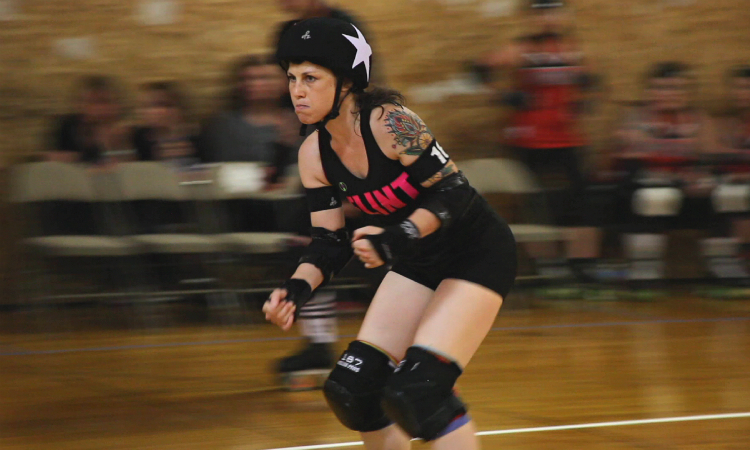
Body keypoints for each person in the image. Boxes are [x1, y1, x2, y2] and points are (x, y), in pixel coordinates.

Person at [264, 18, 517, 449]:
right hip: (419, 260)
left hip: (476, 254)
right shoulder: (313, 154)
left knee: (419, 390)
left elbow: (454, 194)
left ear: (346, 82)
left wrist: (397, 235)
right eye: (291, 78)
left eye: (311, 78)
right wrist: (295, 289)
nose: (297, 91)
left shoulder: (391, 122)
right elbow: (329, 242)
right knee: (353, 389)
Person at [272, 0, 383, 383]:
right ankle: (319, 344)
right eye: (292, 79)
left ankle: (395, 344)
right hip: (318, 154)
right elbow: (288, 115)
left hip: (355, 152)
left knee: (377, 246)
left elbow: (360, 99)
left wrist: (355, 184)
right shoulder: (287, 35)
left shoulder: (345, 28)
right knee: (307, 237)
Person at [473, 0, 601, 286]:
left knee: (583, 202)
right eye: (541, 12)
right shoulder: (522, 48)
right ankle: (549, 268)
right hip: (527, 139)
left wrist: (584, 101)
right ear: (531, 17)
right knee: (533, 204)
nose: (548, 18)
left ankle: (582, 269)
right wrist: (503, 96)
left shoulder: (574, 48)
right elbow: (479, 68)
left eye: (554, 11)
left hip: (567, 138)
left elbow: (592, 79)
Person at [613, 62, 718, 288]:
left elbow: (710, 159)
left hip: (686, 196)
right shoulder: (637, 118)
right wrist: (674, 177)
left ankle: (724, 267)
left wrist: (699, 176)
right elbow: (631, 162)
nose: (669, 94)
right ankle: (645, 269)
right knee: (654, 196)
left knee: (725, 195)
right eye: (661, 88)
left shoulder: (699, 120)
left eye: (676, 88)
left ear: (688, 92)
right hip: (644, 192)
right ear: (649, 92)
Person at [48, 75, 134, 166]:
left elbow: (127, 167)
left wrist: (115, 144)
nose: (100, 108)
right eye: (92, 102)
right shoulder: (67, 126)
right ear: (80, 105)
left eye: (105, 102)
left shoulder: (125, 131)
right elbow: (53, 160)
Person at [134, 81, 202, 170]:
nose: (158, 111)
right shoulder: (139, 139)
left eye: (165, 105)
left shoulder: (196, 138)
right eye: (150, 106)